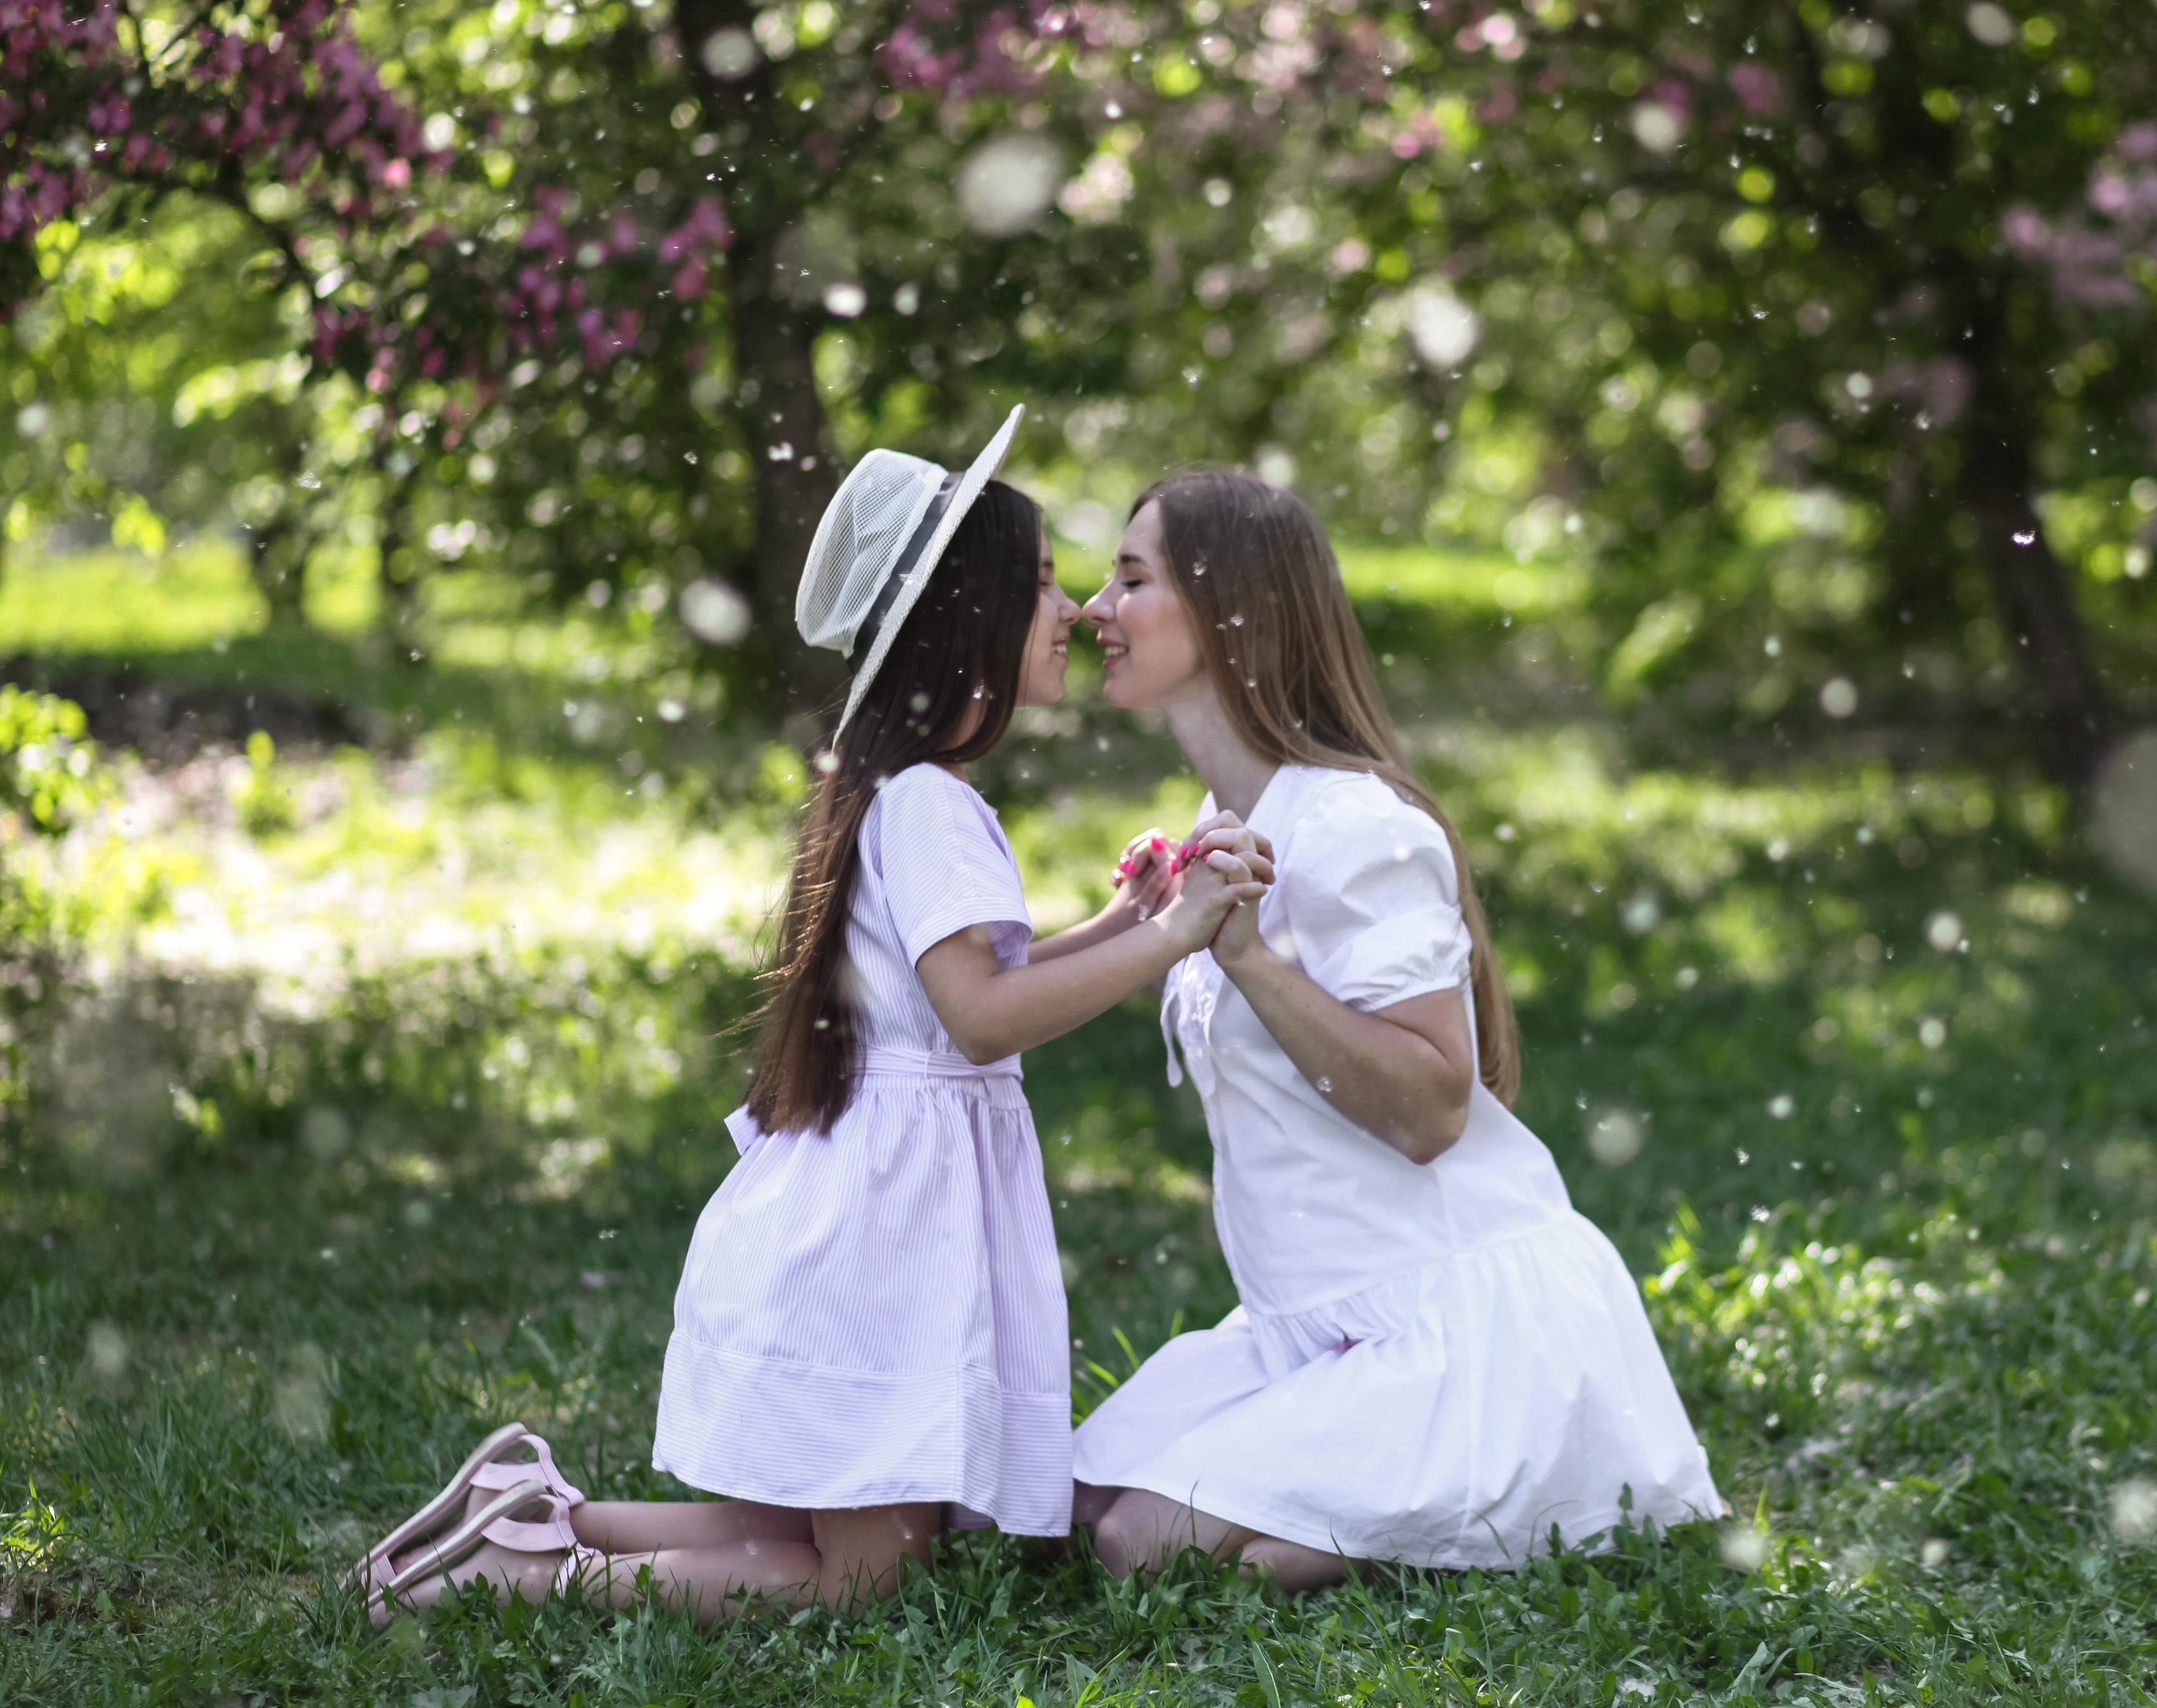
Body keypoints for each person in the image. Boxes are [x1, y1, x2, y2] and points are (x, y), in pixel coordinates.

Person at [352, 410, 1272, 1626]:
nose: (1073, 610)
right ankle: (527, 1577)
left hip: (872, 1209)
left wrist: (1125, 922)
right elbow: (984, 1018)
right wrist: (1173, 934)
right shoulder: (932, 804)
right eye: (1042, 582)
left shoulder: (901, 788)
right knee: (858, 1583)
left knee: (803, 1539)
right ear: (971, 616)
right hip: (881, 1237)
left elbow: (950, 1006)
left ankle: (534, 1514)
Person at [1072, 470, 1723, 1589]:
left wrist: (1250, 960)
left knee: (1142, 1550)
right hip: (1304, 1323)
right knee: (1057, 1507)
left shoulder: (1354, 827)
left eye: (1131, 579)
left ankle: (1503, 1512)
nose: (1094, 608)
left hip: (1452, 1327)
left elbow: (1431, 1108)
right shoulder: (1224, 824)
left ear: (1230, 614)